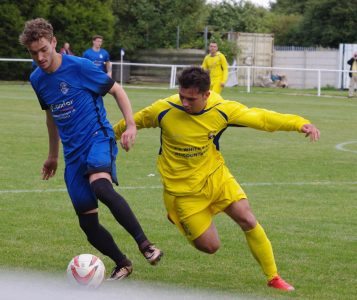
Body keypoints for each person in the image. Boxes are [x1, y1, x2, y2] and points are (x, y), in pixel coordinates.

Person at [113, 67, 320, 291]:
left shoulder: (221, 109)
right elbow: (133, 121)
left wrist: (299, 123)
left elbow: (260, 117)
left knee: (248, 219)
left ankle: (273, 277)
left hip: (216, 178)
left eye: (191, 99)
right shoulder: (164, 109)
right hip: (183, 192)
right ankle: (177, 216)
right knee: (210, 247)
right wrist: (108, 137)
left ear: (206, 94)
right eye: (182, 96)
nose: (184, 102)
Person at [19, 18, 162, 280]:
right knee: (88, 224)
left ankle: (146, 245)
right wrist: (53, 155)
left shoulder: (80, 67)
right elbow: (50, 116)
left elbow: (117, 90)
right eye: (33, 53)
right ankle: (122, 263)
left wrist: (130, 125)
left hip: (97, 137)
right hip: (73, 155)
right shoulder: (37, 79)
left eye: (44, 50)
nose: (39, 57)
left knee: (101, 186)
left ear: (54, 43)